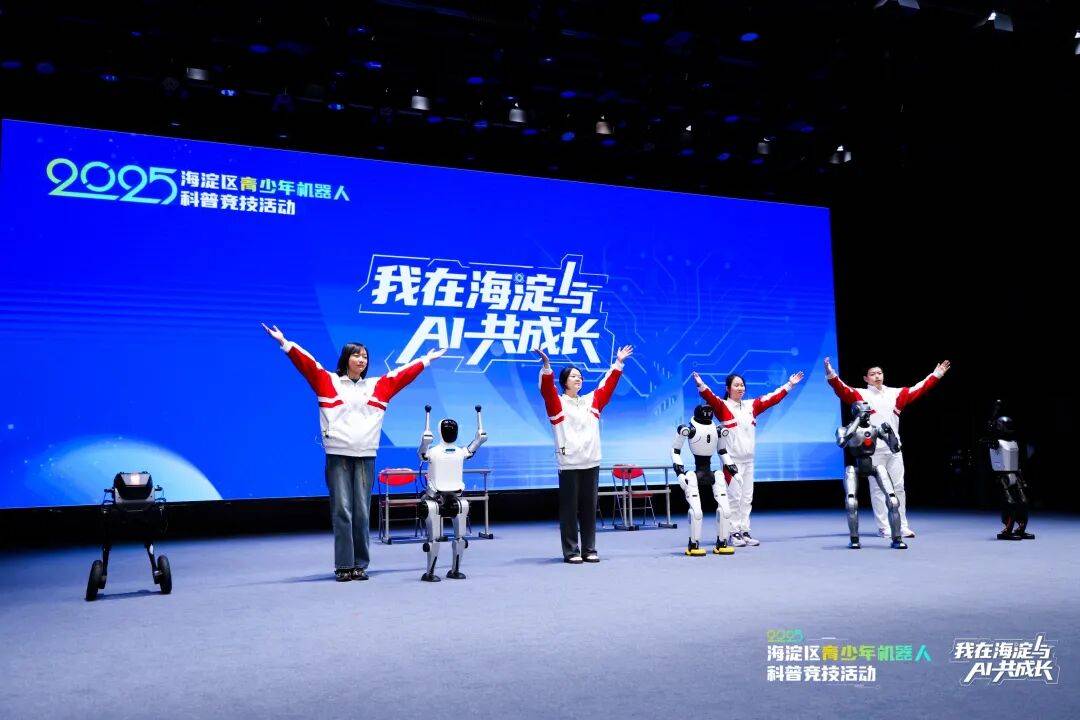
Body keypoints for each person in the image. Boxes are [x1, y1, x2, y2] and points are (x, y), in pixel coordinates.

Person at [263, 323, 445, 581]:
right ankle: (343, 565)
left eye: (365, 356)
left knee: (361, 511)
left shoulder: (377, 386)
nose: (362, 359)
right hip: (337, 455)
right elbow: (308, 364)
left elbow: (402, 375)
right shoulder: (328, 381)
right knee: (342, 510)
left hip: (365, 456)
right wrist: (285, 342)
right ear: (346, 358)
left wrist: (426, 359)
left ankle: (360, 564)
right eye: (356, 355)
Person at [824, 356, 950, 538]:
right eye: (872, 374)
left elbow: (919, 388)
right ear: (866, 378)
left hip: (893, 448)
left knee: (899, 488)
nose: (877, 376)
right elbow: (841, 389)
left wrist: (936, 374)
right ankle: (884, 527)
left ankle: (902, 525)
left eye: (879, 373)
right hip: (871, 450)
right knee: (877, 489)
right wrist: (830, 373)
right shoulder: (861, 394)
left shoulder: (895, 394)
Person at [535, 344, 633, 564]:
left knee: (589, 508)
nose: (578, 378)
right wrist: (547, 366)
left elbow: (608, 385)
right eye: (573, 376)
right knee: (569, 511)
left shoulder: (592, 401)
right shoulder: (557, 403)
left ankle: (589, 549)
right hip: (569, 463)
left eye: (579, 376)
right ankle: (571, 551)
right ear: (564, 382)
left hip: (591, 461)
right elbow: (546, 390)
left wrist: (618, 363)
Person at [693, 369, 804, 546]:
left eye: (742, 385)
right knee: (734, 498)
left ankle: (744, 531)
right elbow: (710, 397)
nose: (740, 388)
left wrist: (790, 384)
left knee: (746, 498)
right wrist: (701, 384)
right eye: (736, 385)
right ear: (728, 388)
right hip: (732, 462)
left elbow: (772, 398)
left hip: (749, 461)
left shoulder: (751, 406)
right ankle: (733, 532)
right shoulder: (723, 406)